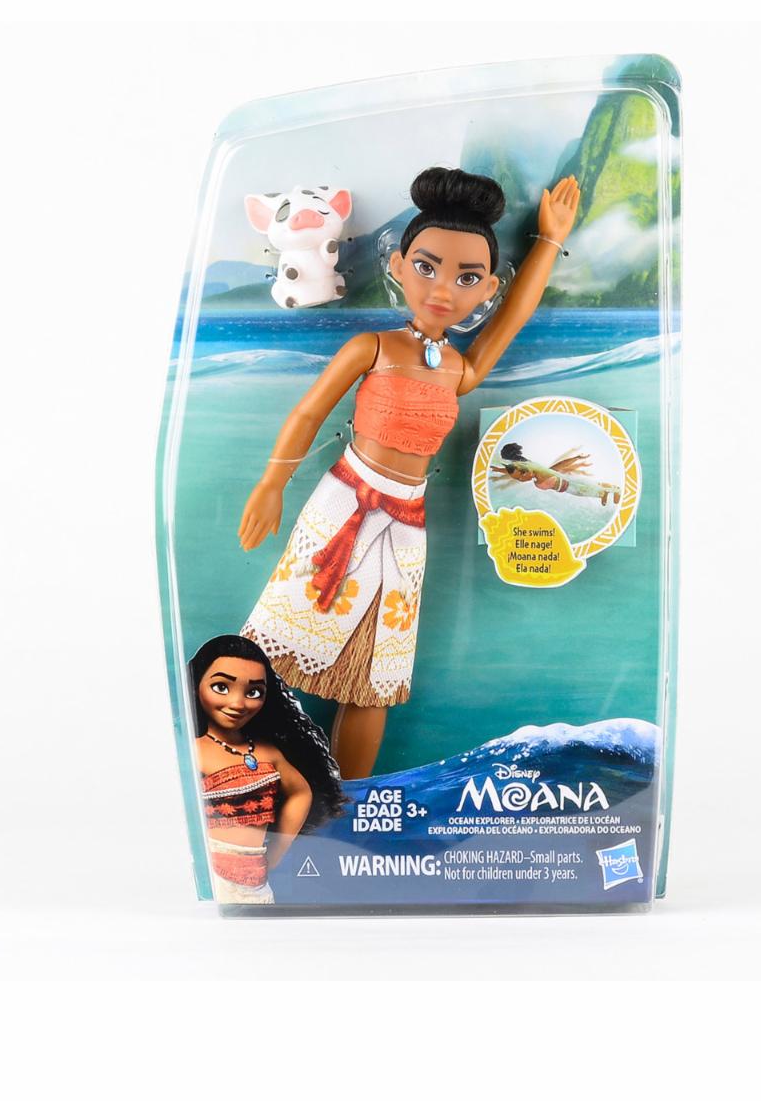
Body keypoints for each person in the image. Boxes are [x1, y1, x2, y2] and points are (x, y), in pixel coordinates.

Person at [239, 167, 581, 777]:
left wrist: (550, 240)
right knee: (279, 648)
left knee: (375, 673)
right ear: (397, 265)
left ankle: (347, 804)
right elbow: (308, 412)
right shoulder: (372, 348)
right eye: (427, 266)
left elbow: (513, 319)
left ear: (488, 287)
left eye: (467, 277)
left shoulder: (457, 367)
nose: (443, 288)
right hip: (344, 504)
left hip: (406, 524)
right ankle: (249, 779)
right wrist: (272, 483)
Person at [189, 634, 345, 904]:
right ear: (196, 685)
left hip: (257, 882)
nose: (238, 704)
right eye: (221, 687)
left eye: (253, 692)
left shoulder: (266, 751)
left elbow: (300, 792)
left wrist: (276, 850)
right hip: (215, 875)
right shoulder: (193, 749)